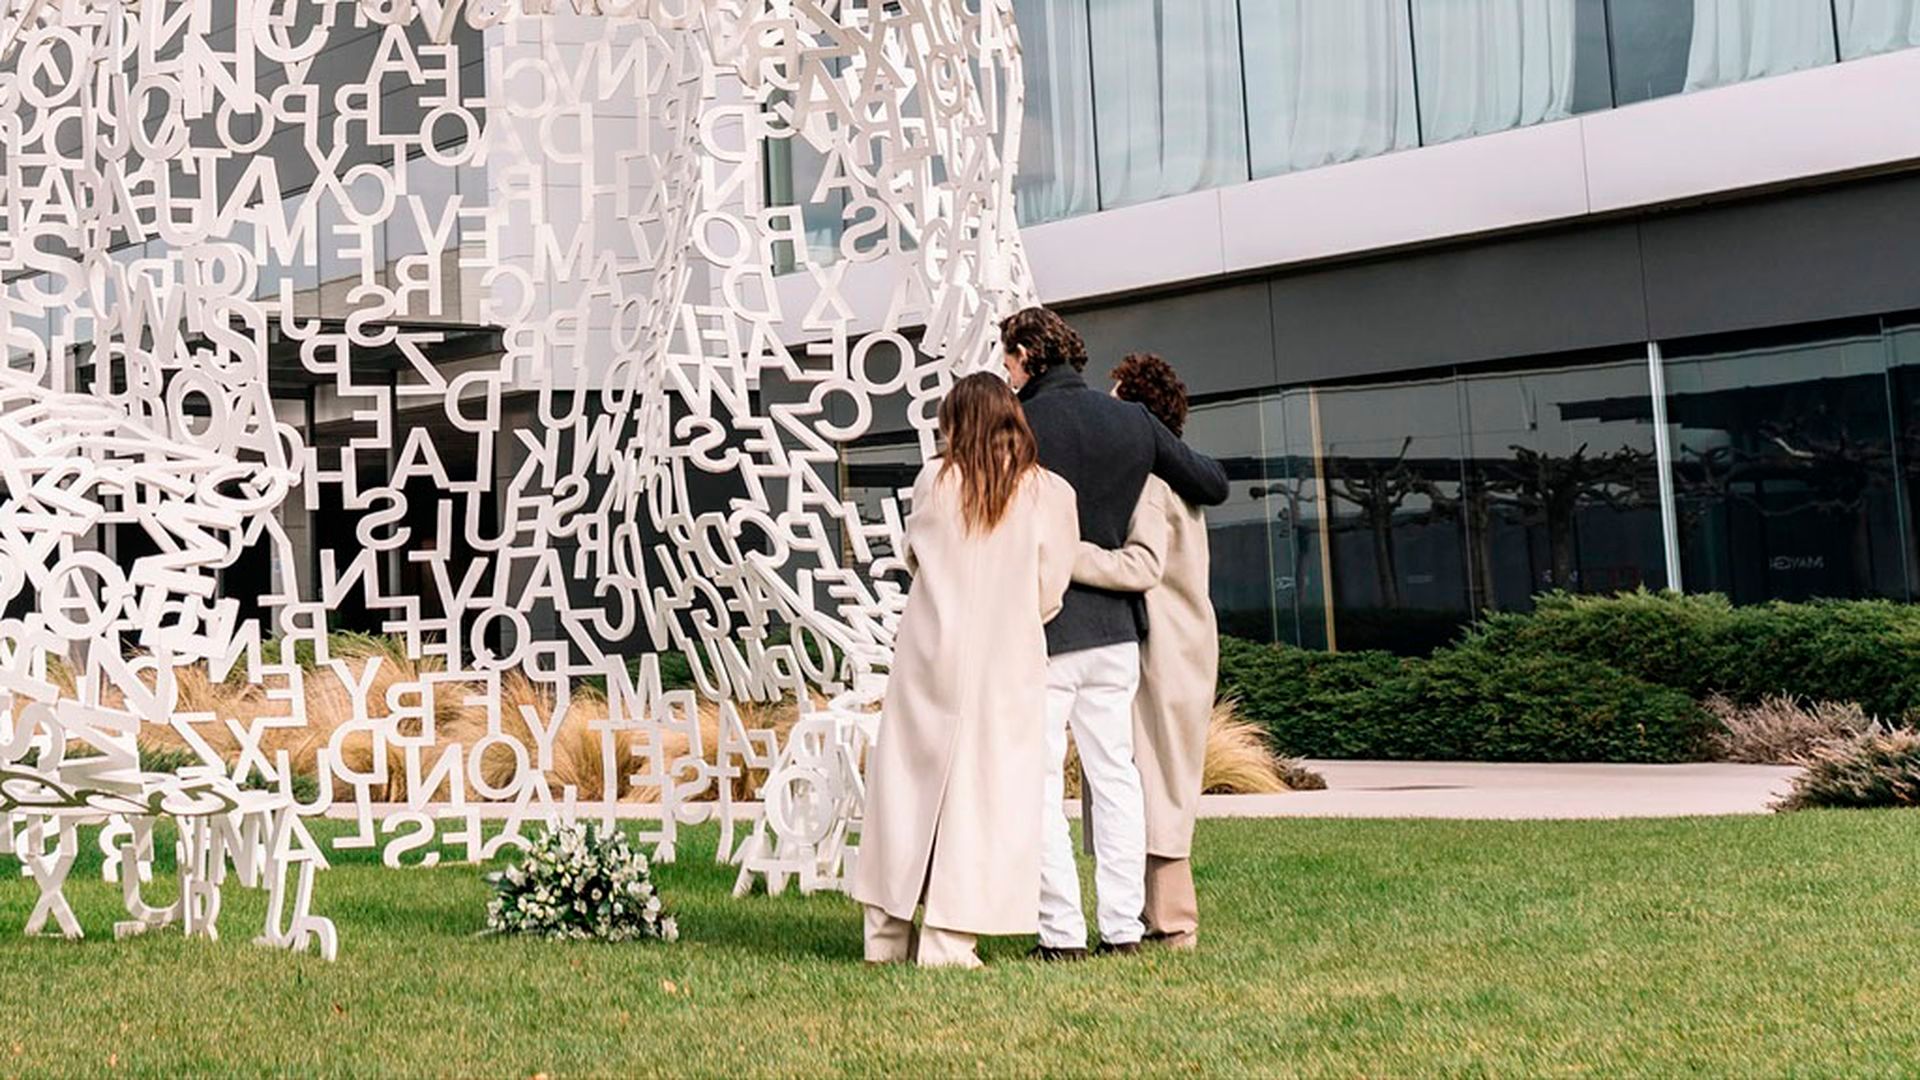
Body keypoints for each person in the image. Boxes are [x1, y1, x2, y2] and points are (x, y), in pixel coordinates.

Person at [1000, 307, 1229, 960]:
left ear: (1025, 354)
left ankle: (1061, 935)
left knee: (1042, 785)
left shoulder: (1018, 424)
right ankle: (1123, 929)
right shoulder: (1131, 421)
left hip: (1044, 629)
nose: (1005, 372)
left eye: (1007, 359)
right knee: (1118, 780)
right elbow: (1211, 482)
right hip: (1118, 636)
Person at [850, 371, 1081, 969]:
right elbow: (1051, 588)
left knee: (905, 794)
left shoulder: (935, 480)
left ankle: (886, 937)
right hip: (1007, 663)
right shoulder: (1050, 493)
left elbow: (912, 553)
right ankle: (951, 941)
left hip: (928, 654)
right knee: (986, 799)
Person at [1072, 353, 1216, 951]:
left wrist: (1065, 553)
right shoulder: (1183, 484)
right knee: (1162, 779)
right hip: (1186, 644)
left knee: (1148, 780)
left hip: (1159, 646)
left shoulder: (1152, 487)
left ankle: (1171, 922)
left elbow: (1141, 566)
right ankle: (1163, 920)